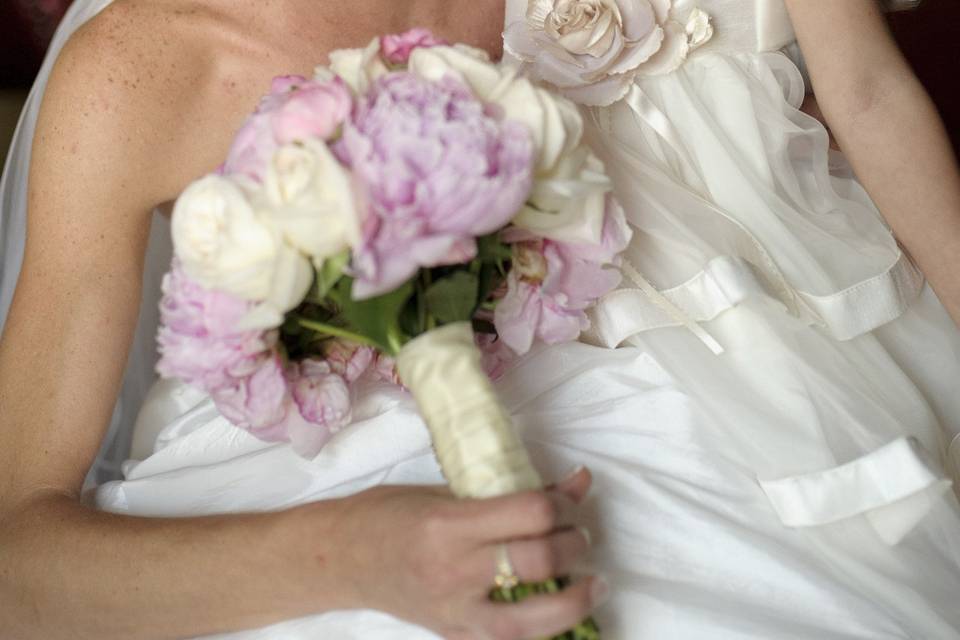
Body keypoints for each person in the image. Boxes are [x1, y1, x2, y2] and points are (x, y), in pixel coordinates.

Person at [1, 1, 959, 639]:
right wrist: (355, 556)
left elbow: (869, 97)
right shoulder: (138, 72)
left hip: (742, 419)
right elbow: (15, 560)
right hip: (307, 520)